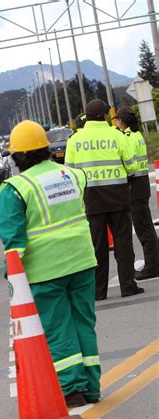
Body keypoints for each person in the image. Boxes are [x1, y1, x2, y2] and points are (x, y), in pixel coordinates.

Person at [0, 120, 101, 407]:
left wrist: (14, 282)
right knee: (83, 323)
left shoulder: (15, 189)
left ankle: (72, 389)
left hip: (45, 272)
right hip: (82, 262)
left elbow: (13, 243)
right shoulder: (72, 175)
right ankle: (92, 386)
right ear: (46, 148)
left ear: (17, 156)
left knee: (58, 328)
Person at [65, 99, 142, 300]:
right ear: (106, 115)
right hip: (117, 195)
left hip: (91, 198)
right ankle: (128, 286)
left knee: (96, 246)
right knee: (123, 242)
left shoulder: (74, 140)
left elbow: (69, 173)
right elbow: (132, 166)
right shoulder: (116, 135)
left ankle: (99, 291)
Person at [115, 106, 158, 280]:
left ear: (122, 121)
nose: (116, 122)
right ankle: (154, 263)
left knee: (143, 228)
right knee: (146, 225)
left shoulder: (128, 138)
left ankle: (152, 266)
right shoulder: (137, 135)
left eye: (117, 120)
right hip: (141, 184)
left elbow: (129, 163)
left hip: (134, 184)